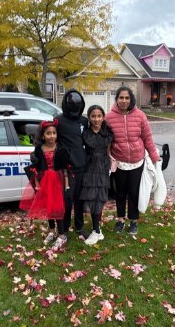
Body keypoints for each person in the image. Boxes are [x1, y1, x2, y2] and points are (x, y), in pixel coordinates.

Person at [104, 85, 160, 237]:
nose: (124, 101)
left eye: (127, 98)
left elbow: (147, 138)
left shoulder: (140, 115)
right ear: (117, 99)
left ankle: (134, 221)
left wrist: (154, 155)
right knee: (120, 193)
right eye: (121, 98)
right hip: (119, 162)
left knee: (134, 193)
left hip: (137, 162)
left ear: (131, 99)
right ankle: (121, 219)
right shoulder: (109, 117)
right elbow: (105, 139)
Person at [19, 120, 69, 250]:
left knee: (57, 208)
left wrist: (67, 184)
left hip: (58, 182)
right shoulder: (39, 150)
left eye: (54, 133)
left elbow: (65, 169)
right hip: (44, 181)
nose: (51, 136)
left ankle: (62, 235)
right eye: (48, 133)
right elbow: (36, 168)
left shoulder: (61, 148)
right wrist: (37, 184)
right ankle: (52, 231)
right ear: (42, 136)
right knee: (48, 207)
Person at [56, 89, 89, 239]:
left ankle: (79, 226)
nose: (75, 107)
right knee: (66, 199)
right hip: (65, 168)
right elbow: (48, 138)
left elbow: (88, 139)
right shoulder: (58, 121)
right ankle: (65, 227)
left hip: (81, 164)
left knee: (79, 199)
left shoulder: (83, 121)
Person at [79, 105, 113, 246]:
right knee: (92, 198)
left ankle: (97, 230)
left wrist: (108, 166)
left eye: (99, 116)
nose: (96, 119)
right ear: (89, 117)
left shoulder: (107, 133)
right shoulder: (86, 133)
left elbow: (108, 151)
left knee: (99, 199)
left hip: (103, 168)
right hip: (90, 168)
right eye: (93, 116)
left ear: (103, 117)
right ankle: (96, 230)